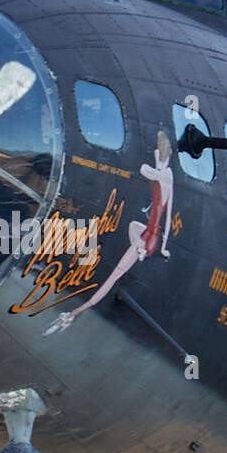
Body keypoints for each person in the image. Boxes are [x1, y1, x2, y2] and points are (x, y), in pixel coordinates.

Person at [45, 130, 174, 335]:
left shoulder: (165, 175)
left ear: (164, 154)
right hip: (149, 234)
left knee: (114, 276)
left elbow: (146, 172)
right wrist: (164, 246)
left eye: (160, 153)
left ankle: (75, 313)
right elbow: (165, 217)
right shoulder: (164, 175)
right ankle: (74, 313)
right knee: (132, 226)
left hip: (149, 240)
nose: (158, 157)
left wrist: (160, 246)